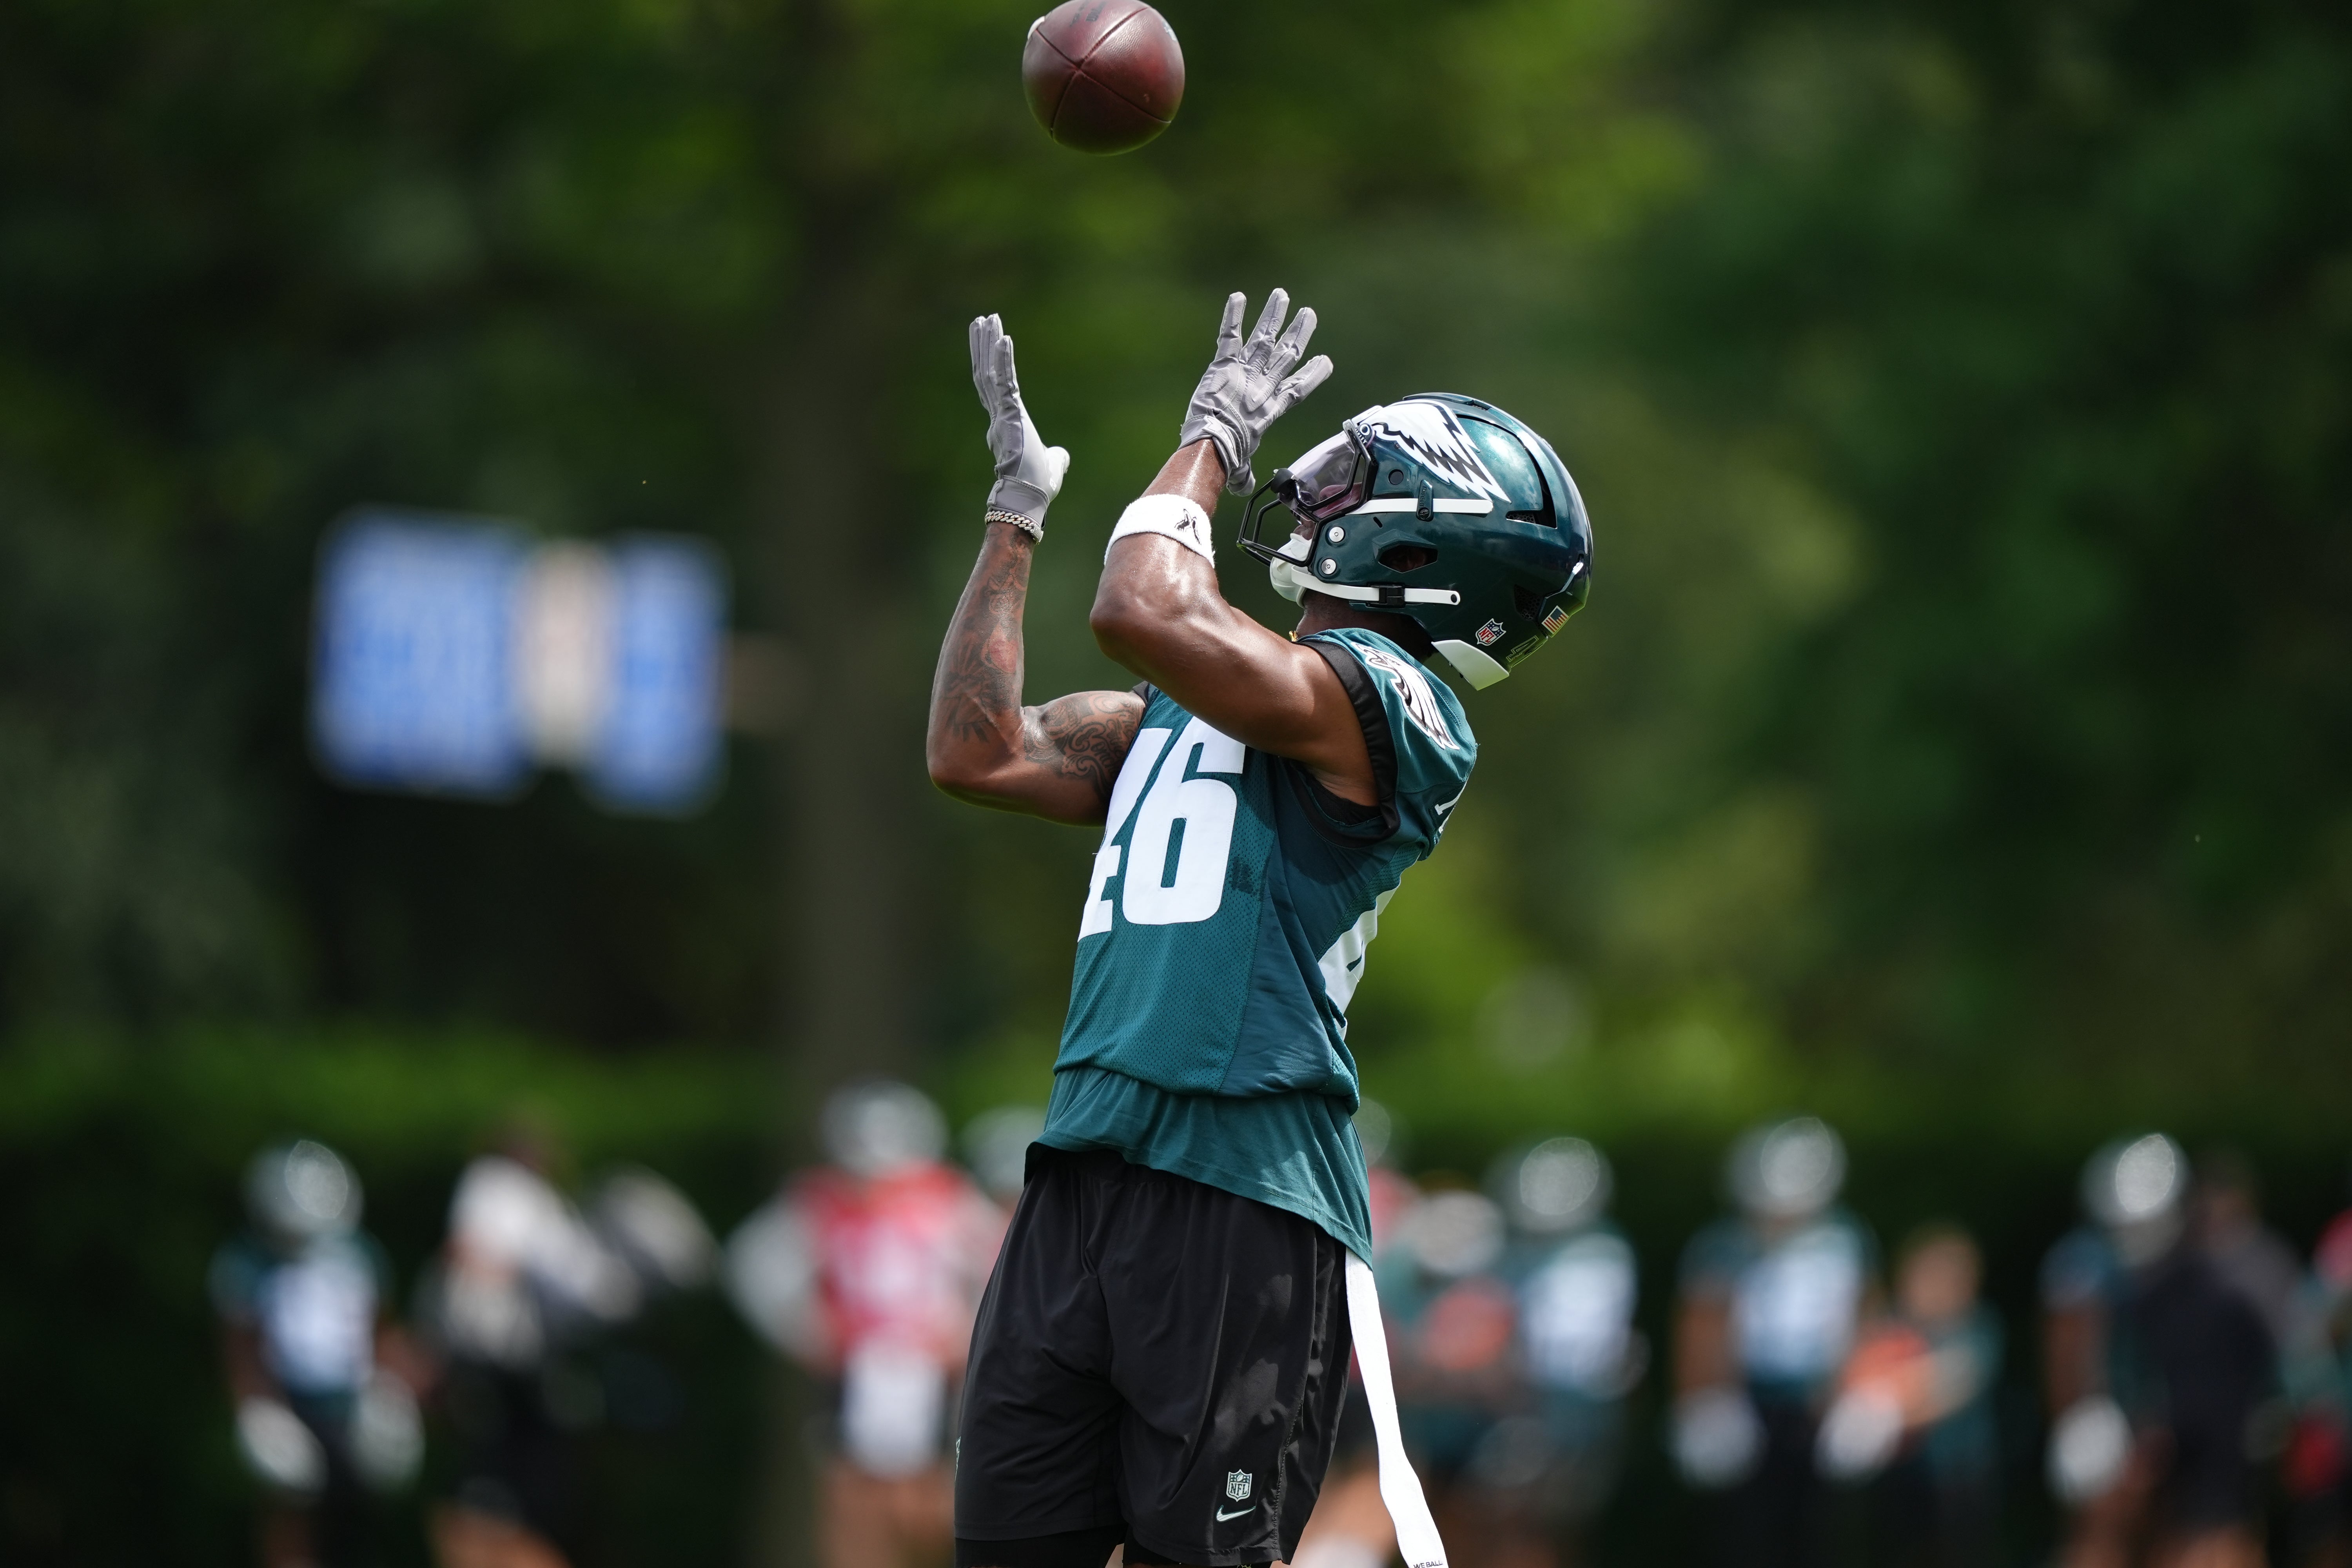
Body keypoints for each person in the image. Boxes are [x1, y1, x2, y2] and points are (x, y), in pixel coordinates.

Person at [925, 292, 1593, 1568]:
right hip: (1085, 1166)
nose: (1319, 498)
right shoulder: (1189, 710)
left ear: (1425, 543)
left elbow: (1141, 608)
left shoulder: (1402, 707)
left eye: (1357, 484)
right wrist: (1014, 520)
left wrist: (1211, 440)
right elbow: (977, 751)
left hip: (1241, 1193)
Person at [726, 1082, 1007, 1568]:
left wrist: (967, 1336)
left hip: (932, 1373)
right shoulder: (819, 1203)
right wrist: (811, 1332)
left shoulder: (952, 1201)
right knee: (851, 1498)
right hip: (858, 1372)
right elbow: (755, 1266)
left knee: (933, 1505)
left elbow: (1004, 1262)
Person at [419, 1126, 713, 1568]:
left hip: (501, 1367)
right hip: (505, 1368)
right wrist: (617, 1295)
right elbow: (547, 1269)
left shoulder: (501, 1196)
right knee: (506, 1500)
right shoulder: (505, 1189)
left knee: (499, 1492)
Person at [2041, 1133, 2274, 1568]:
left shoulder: (2214, 1306)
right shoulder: (2117, 1298)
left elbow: (2218, 1419)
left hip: (2203, 1501)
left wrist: (2153, 1447)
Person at [1673, 1117, 1875, 1568]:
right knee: (1746, 1532)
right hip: (1746, 1402)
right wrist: (1703, 1402)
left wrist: (1862, 1396)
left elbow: (1865, 1320)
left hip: (1820, 1406)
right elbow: (1700, 1326)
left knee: (1820, 1531)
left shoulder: (1846, 1240)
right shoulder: (1722, 1245)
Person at [211, 1139, 424, 1568]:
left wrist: (391, 1391)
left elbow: (379, 1332)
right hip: (288, 1401)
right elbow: (241, 1345)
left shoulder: (359, 1256)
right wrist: (256, 1408)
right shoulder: (248, 1262)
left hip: (350, 1403)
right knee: (292, 1503)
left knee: (358, 1511)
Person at [1488, 1137, 1642, 1568]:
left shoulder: (1604, 1252)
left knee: (1556, 1519)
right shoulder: (1516, 1251)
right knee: (1509, 1515)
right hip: (1524, 1404)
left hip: (1578, 1408)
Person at [1821, 1225, 2002, 1567]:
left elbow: (1946, 1389)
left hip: (1956, 1477)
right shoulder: (1886, 1329)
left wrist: (1875, 1415)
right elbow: (1846, 1377)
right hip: (1898, 1479)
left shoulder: (1977, 1331)